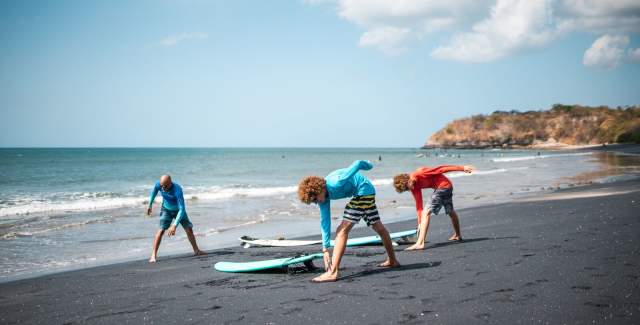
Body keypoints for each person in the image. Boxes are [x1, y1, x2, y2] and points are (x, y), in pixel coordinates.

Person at [298, 160, 400, 282]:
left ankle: (333, 272)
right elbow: (325, 221)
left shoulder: (336, 182)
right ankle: (393, 260)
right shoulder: (323, 199)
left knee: (341, 230)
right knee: (378, 228)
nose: (316, 202)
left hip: (363, 191)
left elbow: (357, 164)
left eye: (315, 199)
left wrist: (369, 165)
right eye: (313, 202)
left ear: (319, 189)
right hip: (367, 192)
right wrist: (325, 248)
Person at [393, 165, 474, 250]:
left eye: (407, 186)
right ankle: (458, 235)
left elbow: (441, 169)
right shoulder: (414, 187)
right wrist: (420, 223)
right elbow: (418, 206)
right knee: (450, 211)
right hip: (447, 187)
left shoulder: (420, 172)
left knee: (426, 212)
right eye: (406, 189)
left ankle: (420, 243)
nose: (410, 188)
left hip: (443, 187)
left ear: (406, 180)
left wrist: (462, 168)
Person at [146, 175, 205, 262]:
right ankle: (153, 255)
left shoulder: (177, 190)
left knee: (189, 229)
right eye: (161, 186)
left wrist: (174, 225)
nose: (162, 188)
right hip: (166, 209)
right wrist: (150, 204)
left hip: (179, 211)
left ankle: (196, 250)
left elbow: (182, 209)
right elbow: (154, 191)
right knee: (161, 230)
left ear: (170, 183)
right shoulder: (160, 185)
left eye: (165, 186)